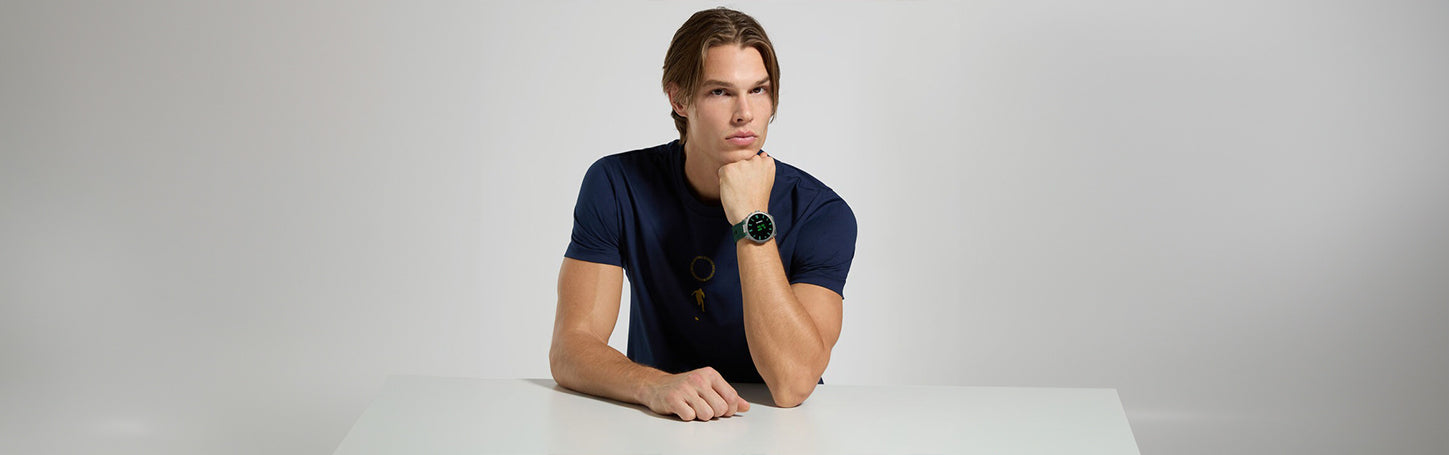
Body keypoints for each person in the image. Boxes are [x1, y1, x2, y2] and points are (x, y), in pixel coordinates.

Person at [548, 7, 858, 422]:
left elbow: (792, 384)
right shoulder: (617, 184)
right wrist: (653, 385)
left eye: (759, 90)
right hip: (659, 423)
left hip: (777, 430)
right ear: (679, 99)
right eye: (720, 92)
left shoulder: (821, 213)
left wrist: (751, 218)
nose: (745, 113)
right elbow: (570, 349)